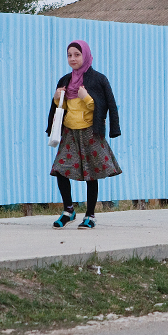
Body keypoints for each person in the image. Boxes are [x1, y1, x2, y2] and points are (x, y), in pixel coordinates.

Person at [45, 40, 122, 229]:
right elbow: (61, 109)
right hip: (70, 133)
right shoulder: (65, 81)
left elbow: (104, 106)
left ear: (85, 55)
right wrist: (57, 99)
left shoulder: (98, 79)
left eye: (77, 55)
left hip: (90, 133)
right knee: (60, 168)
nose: (72, 58)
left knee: (91, 173)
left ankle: (90, 215)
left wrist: (86, 97)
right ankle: (68, 210)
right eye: (69, 55)